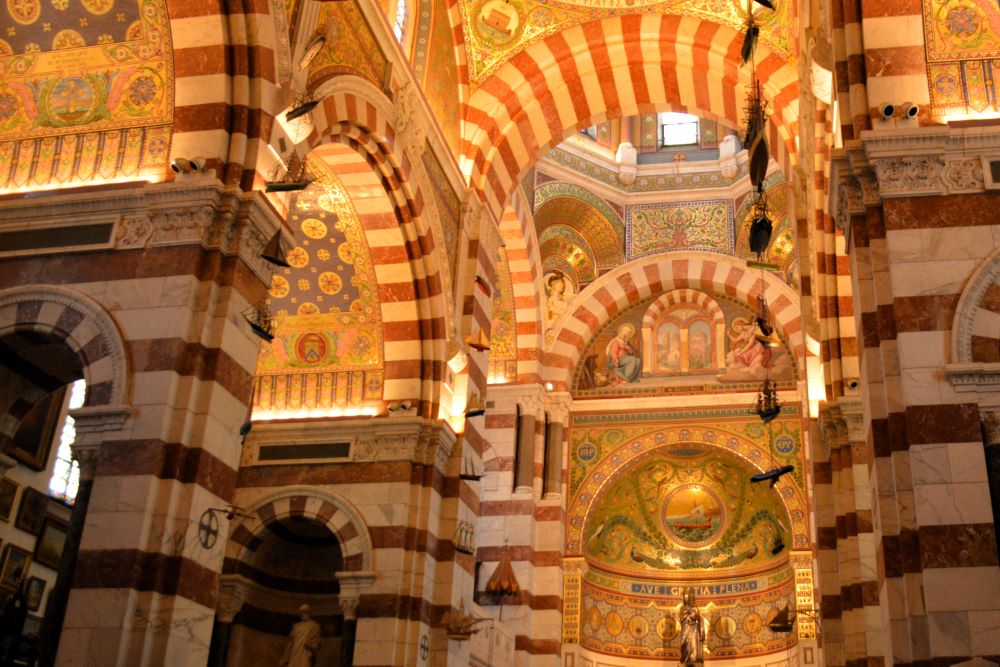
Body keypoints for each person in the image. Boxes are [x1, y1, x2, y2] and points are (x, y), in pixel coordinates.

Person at [678, 587, 705, 666]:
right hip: (685, 628)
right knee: (683, 643)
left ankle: (693, 659)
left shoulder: (695, 608)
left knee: (693, 645)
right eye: (685, 596)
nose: (687, 598)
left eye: (688, 597)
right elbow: (681, 618)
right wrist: (689, 616)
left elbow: (699, 618)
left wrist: (695, 617)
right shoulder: (682, 608)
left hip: (694, 629)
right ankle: (685, 659)